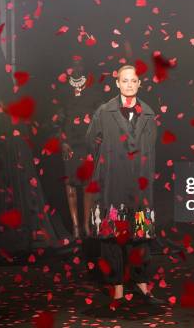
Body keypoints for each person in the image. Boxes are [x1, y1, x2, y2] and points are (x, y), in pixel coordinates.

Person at [86, 65, 163, 308]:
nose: (129, 84)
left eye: (134, 81)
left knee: (140, 235)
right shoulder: (104, 112)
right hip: (112, 181)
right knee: (111, 236)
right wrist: (109, 162)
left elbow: (151, 147)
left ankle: (141, 283)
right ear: (117, 83)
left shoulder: (148, 114)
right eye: (125, 80)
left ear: (139, 84)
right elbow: (92, 141)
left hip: (139, 182)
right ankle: (117, 287)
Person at [55, 56, 100, 239]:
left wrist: (98, 137)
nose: (77, 67)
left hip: (87, 142)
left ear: (84, 66)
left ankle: (86, 225)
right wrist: (62, 141)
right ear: (69, 67)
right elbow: (57, 120)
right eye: (73, 64)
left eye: (80, 63)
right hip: (70, 142)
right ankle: (75, 227)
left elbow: (99, 116)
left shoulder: (93, 89)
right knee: (70, 183)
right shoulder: (63, 90)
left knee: (87, 183)